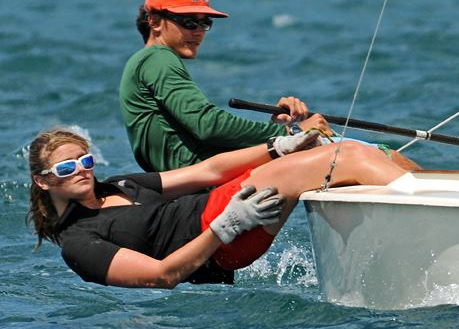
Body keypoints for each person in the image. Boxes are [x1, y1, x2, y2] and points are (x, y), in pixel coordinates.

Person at [27, 127, 405, 288]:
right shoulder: (79, 242)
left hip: (224, 206)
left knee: (367, 153)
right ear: (43, 181)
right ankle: (416, 197)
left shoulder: (120, 184)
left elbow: (207, 170)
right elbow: (162, 276)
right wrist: (226, 227)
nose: (80, 170)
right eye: (65, 167)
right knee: (345, 155)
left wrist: (277, 147)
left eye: (85, 160)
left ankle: (428, 189)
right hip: (221, 233)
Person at [119, 0, 419, 173]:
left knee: (351, 151)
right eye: (189, 23)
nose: (199, 32)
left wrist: (284, 130)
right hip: (202, 178)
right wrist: (293, 135)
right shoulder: (157, 59)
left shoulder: (148, 63)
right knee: (367, 153)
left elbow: (197, 132)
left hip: (204, 171)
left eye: (205, 23)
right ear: (155, 21)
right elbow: (206, 125)